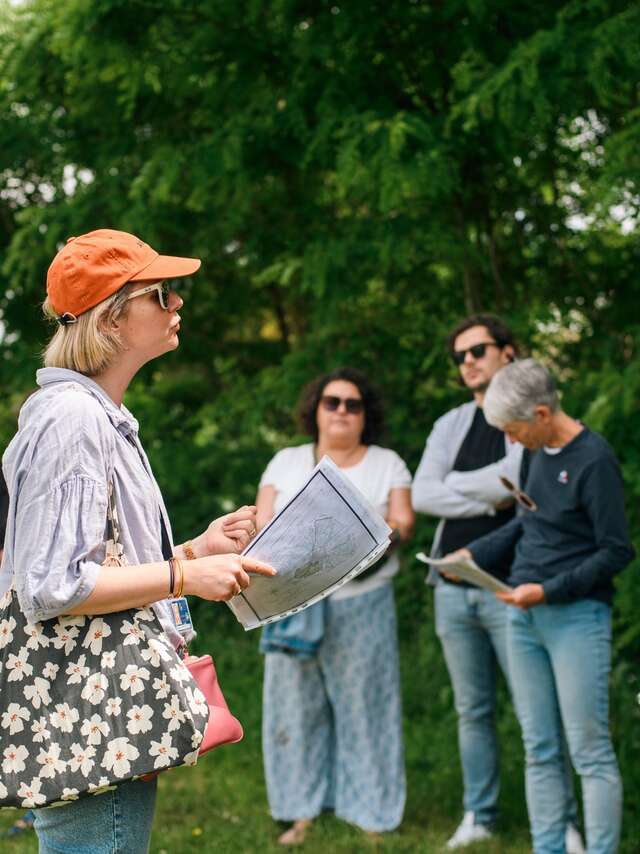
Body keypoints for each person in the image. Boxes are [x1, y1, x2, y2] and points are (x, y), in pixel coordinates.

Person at [0, 229, 276, 853]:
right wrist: (181, 579)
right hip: (89, 711)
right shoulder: (73, 419)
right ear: (114, 313)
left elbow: (88, 565)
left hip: (99, 710)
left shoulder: (94, 414)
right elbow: (53, 586)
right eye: (164, 294)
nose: (179, 305)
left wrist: (191, 551)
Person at [412, 315, 583, 852]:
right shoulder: (452, 423)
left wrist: (462, 487)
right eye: (458, 356)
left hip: (515, 587)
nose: (467, 362)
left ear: (507, 353)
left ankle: (563, 825)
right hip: (451, 581)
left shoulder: (530, 419)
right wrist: (489, 492)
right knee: (473, 710)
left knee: (540, 714)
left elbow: (519, 486)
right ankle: (479, 815)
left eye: (477, 350)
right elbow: (423, 495)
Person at [453, 358, 634, 854]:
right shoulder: (534, 453)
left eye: (514, 430)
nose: (511, 442)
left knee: (590, 752)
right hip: (521, 615)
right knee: (539, 748)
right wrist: (476, 554)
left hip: (576, 618)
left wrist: (548, 591)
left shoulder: (595, 460)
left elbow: (616, 551)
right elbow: (529, 523)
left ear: (540, 412)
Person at [256, 367, 414, 845]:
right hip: (295, 601)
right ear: (315, 410)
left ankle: (372, 810)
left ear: (366, 414)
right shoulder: (285, 461)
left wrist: (365, 532)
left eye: (353, 404)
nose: (342, 411)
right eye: (332, 402)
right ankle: (299, 810)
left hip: (363, 601)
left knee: (367, 706)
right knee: (294, 709)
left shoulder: (387, 463)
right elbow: (264, 523)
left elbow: (403, 523)